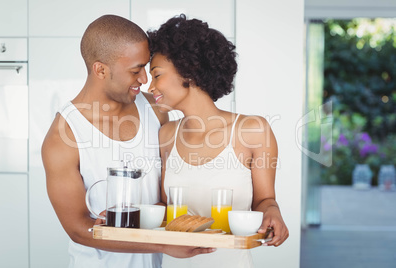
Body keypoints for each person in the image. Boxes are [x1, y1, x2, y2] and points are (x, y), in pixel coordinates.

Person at [41, 14, 215, 268]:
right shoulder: (64, 135)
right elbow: (78, 229)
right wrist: (163, 244)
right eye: (135, 70)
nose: (145, 79)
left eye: (146, 67)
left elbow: (167, 192)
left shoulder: (157, 111)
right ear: (100, 69)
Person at [147, 14, 289, 268]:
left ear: (187, 71)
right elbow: (165, 207)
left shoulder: (252, 130)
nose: (150, 86)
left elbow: (265, 200)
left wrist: (272, 212)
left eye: (156, 75)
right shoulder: (166, 135)